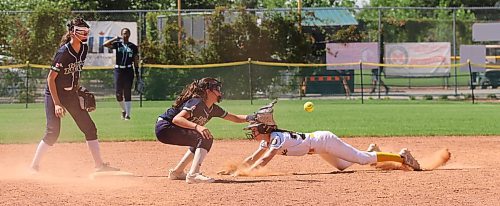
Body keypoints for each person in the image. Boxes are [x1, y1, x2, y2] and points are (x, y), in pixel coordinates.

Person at [30, 17, 119, 173]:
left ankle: (99, 165)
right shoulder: (63, 52)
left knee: (90, 128)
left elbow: (75, 73)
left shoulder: (84, 49)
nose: (84, 34)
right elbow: (50, 79)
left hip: (70, 95)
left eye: (86, 31)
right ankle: (34, 166)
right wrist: (57, 103)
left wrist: (77, 90)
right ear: (71, 32)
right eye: (80, 31)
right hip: (54, 94)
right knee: (53, 132)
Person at [218, 110, 421, 176]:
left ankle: (403, 157)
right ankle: (372, 150)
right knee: (342, 166)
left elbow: (263, 162)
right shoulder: (268, 140)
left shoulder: (277, 139)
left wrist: (244, 173)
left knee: (360, 160)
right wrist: (235, 169)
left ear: (263, 129)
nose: (251, 132)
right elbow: (254, 157)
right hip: (318, 147)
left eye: (254, 129)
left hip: (324, 141)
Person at [155, 77, 256, 184]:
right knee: (204, 136)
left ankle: (177, 172)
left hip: (170, 129)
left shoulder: (213, 109)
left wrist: (253, 117)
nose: (220, 92)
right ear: (208, 91)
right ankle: (194, 174)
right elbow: (177, 119)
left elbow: (235, 118)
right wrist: (198, 127)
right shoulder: (196, 102)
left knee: (199, 139)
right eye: (217, 89)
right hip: (165, 127)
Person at [103, 28, 139, 120]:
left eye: (127, 33)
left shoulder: (133, 47)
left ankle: (128, 114)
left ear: (129, 35)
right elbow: (105, 44)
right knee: (118, 93)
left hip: (128, 70)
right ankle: (124, 110)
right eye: (123, 33)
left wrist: (137, 73)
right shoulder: (118, 44)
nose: (125, 35)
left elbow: (135, 60)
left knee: (127, 92)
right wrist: (115, 38)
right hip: (119, 70)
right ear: (121, 35)